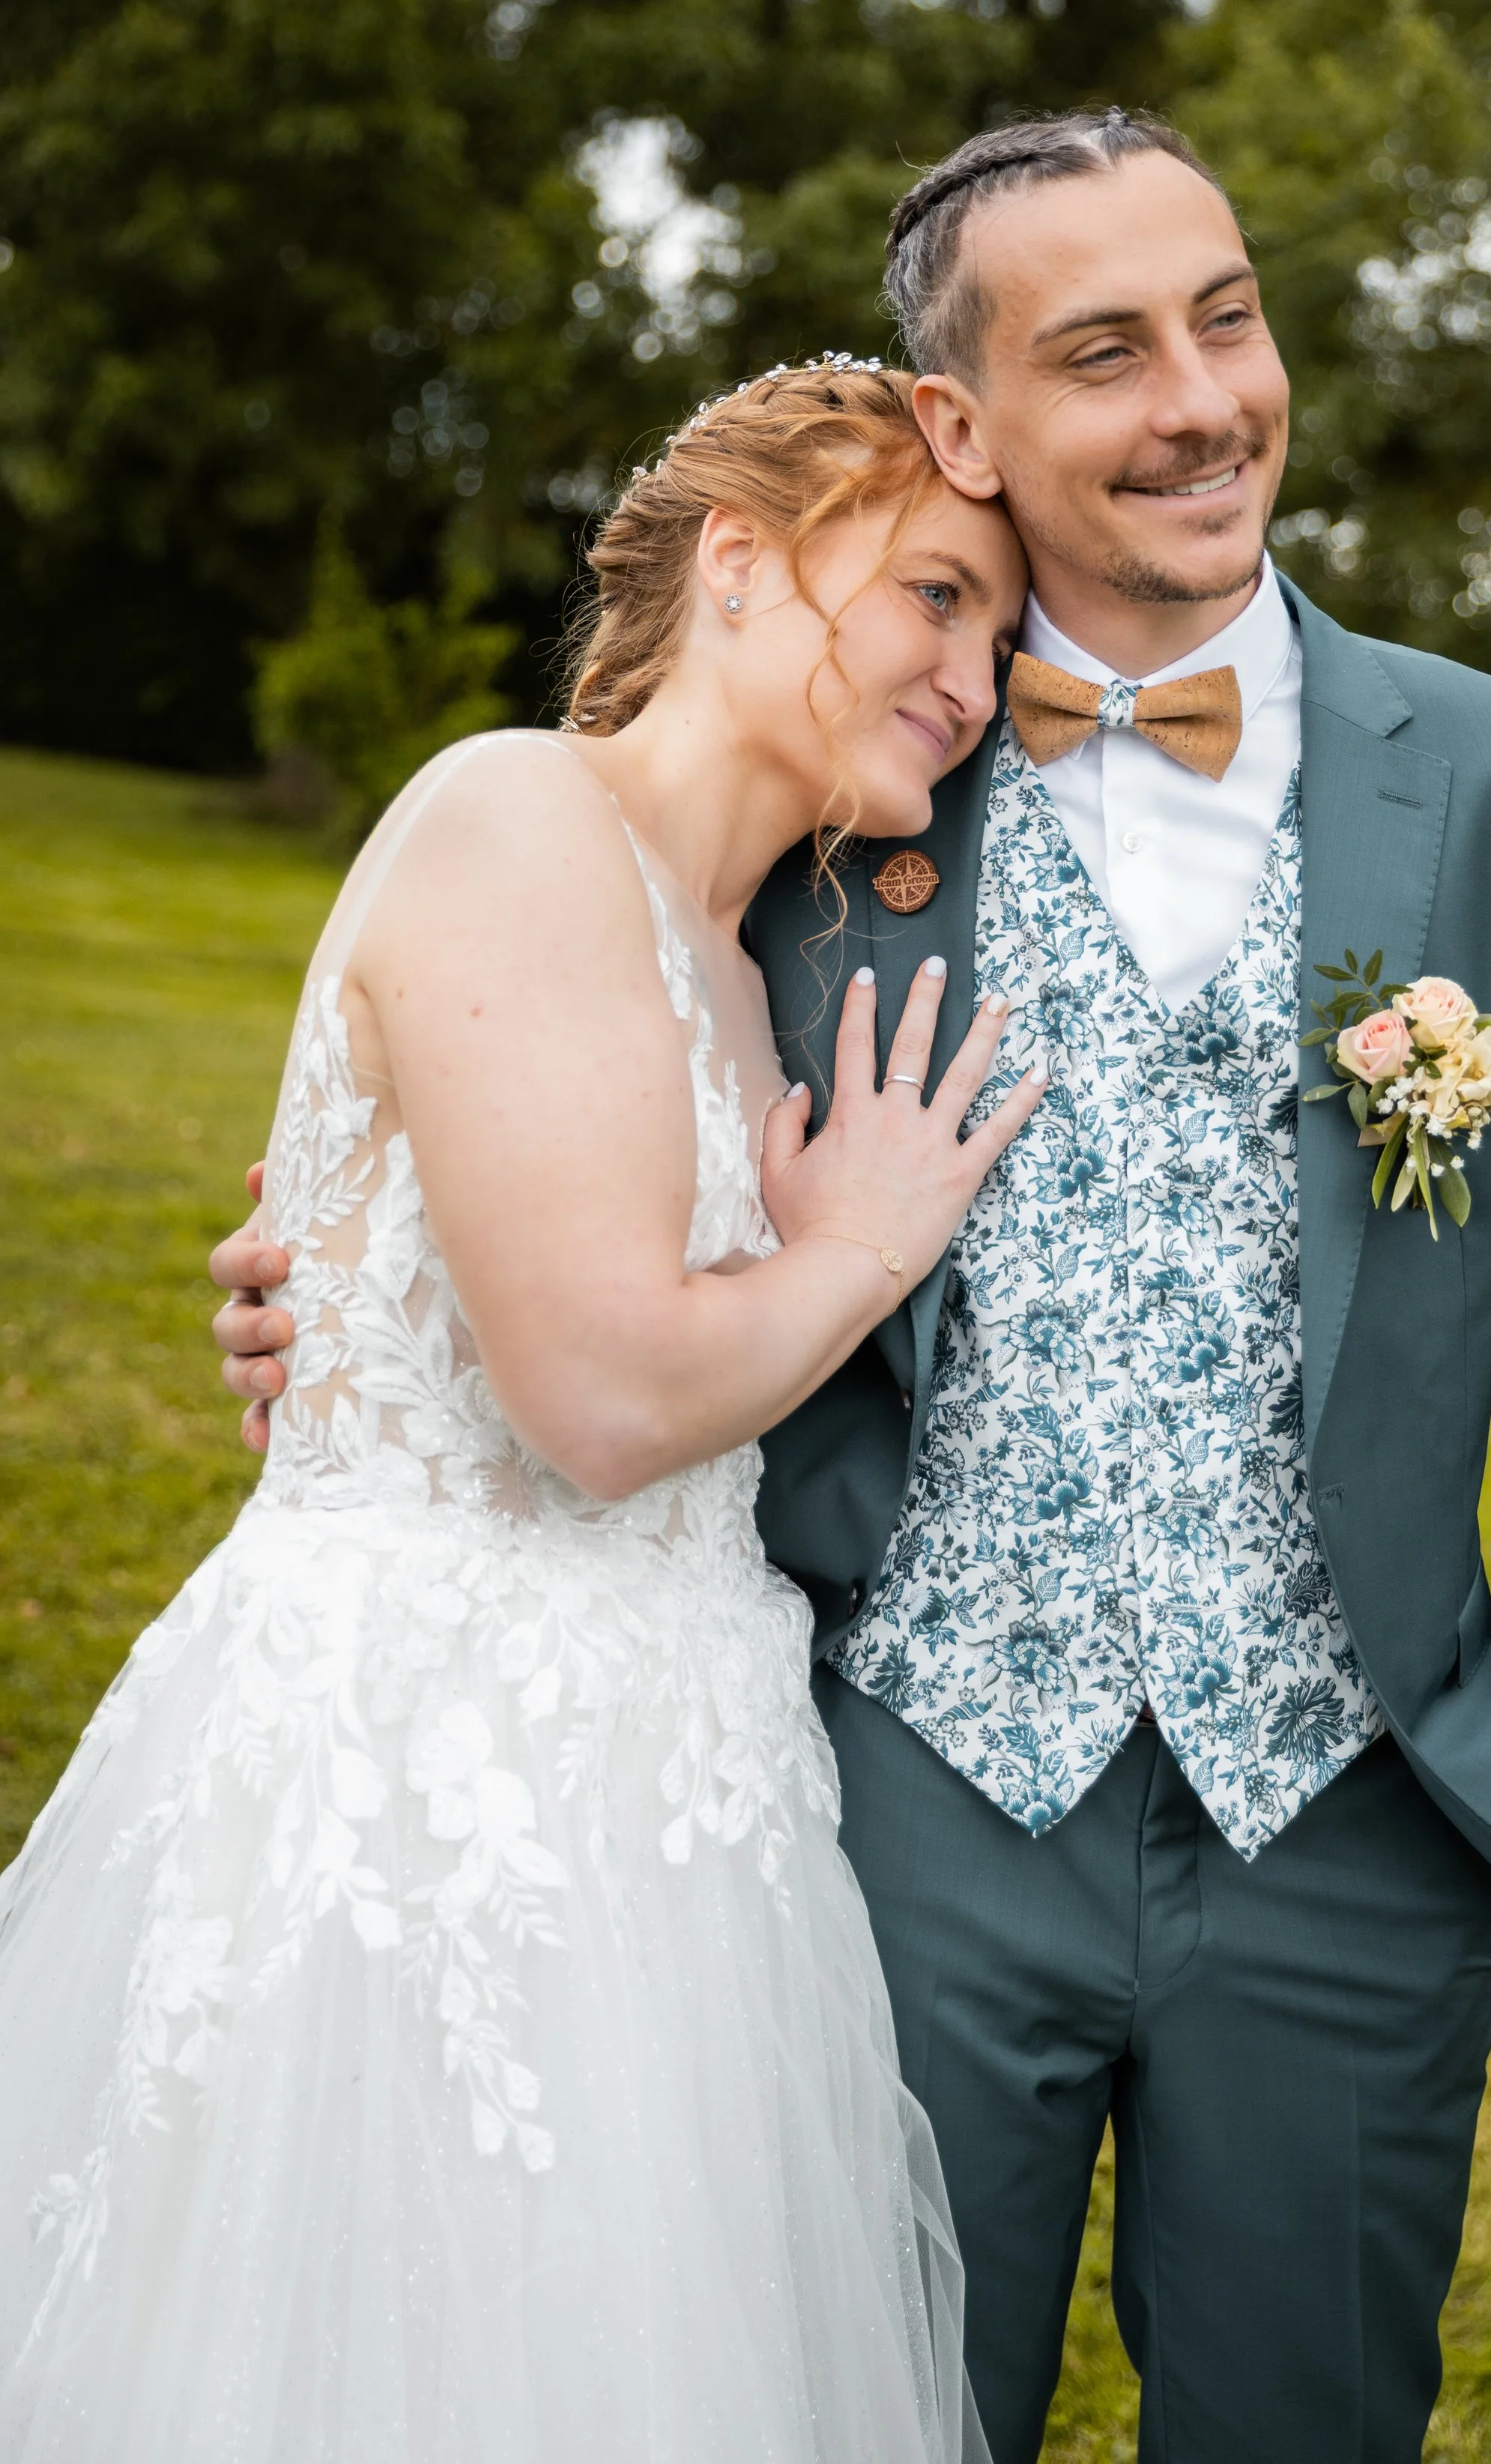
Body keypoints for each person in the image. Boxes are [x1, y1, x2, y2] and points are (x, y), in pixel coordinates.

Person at [213, 112, 1491, 2464]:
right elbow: (545, 1124)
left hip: (1354, 1821)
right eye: (1103, 350)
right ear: (958, 424)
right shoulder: (838, 799)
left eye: (1225, 314)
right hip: (896, 1802)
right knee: (856, 2407)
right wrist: (345, 1303)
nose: (1200, 398)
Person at [0, 365, 1048, 2462]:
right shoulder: (514, 816)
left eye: (1004, 640)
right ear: (740, 565)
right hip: (416, 1779)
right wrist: (861, 1238)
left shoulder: (747, 967)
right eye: (937, 597)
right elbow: (595, 1394)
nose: (973, 678)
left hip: (675, 1801)